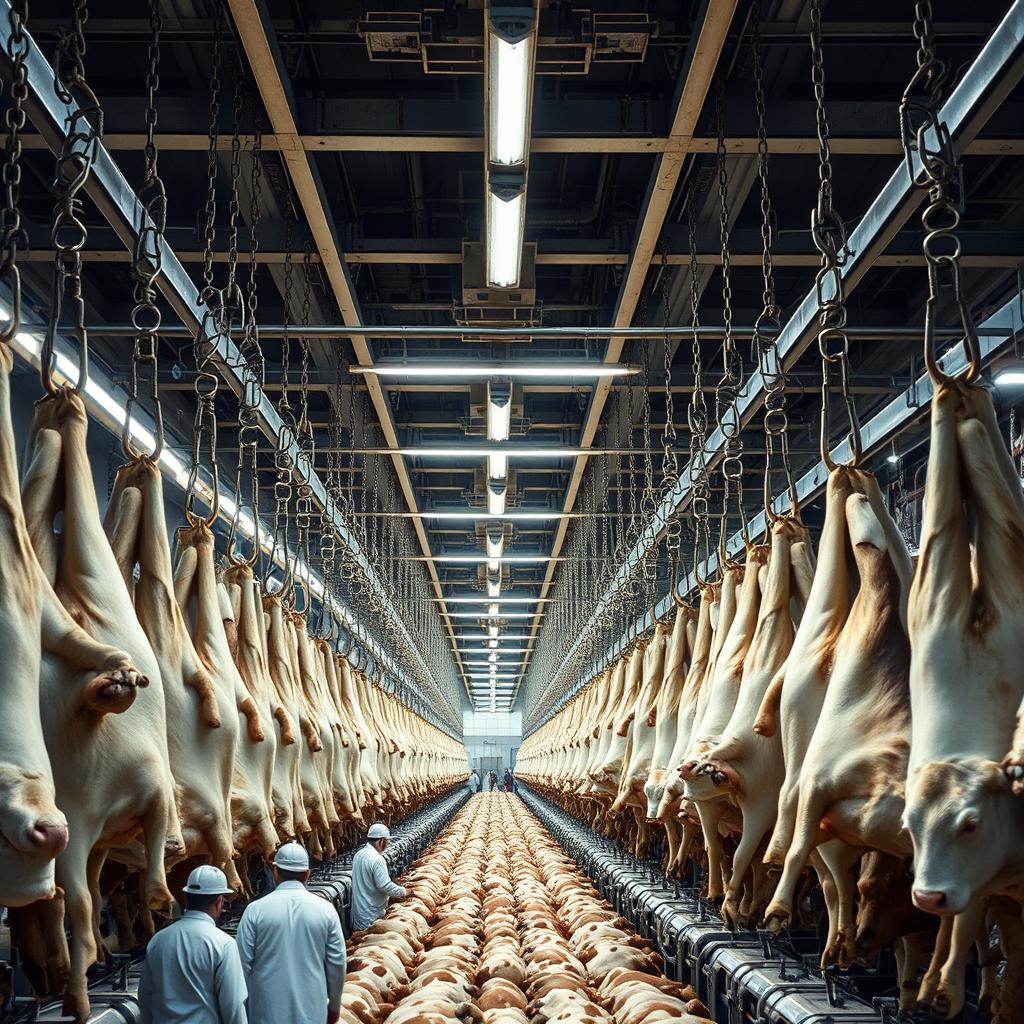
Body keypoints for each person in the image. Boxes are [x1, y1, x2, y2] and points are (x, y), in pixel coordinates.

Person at [236, 842, 347, 1024]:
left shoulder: (254, 910)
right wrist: (334, 1005)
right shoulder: (325, 910)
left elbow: (241, 965)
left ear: (275, 871)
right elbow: (337, 963)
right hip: (312, 1010)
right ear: (308, 873)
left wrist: (243, 1010)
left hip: (265, 1012)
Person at [138, 864, 246, 1024]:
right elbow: (234, 1006)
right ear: (219, 901)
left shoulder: (158, 940)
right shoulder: (224, 944)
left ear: (187, 897)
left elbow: (145, 996)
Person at [350, 823, 407, 932]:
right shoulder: (377, 859)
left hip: (360, 914)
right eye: (386, 841)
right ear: (381, 841)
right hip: (371, 917)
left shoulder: (359, 854)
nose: (387, 845)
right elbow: (385, 886)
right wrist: (404, 891)